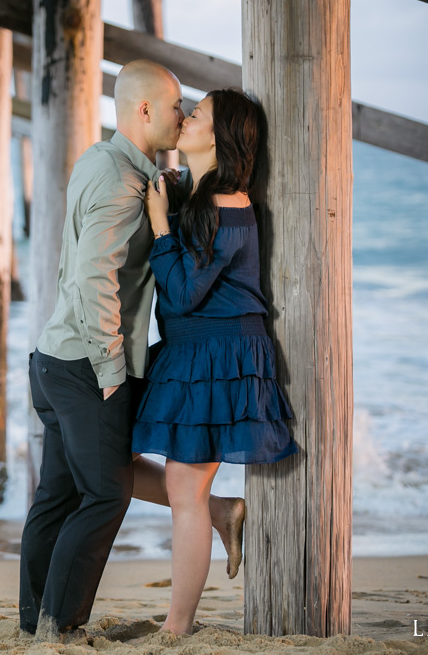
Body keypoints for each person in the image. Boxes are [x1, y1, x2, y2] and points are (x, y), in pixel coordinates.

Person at [18, 59, 185, 642]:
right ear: (144, 109)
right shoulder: (123, 181)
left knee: (58, 495)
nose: (181, 115)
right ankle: (59, 629)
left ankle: (35, 622)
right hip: (86, 364)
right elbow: (96, 275)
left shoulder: (101, 159)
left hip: (52, 357)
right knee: (106, 494)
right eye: (175, 106)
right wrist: (111, 368)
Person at [131, 88, 300, 636]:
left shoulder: (228, 204)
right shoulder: (203, 197)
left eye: (196, 113)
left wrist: (160, 223)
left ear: (218, 137)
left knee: (184, 492)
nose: (186, 117)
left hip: (218, 356)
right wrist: (173, 201)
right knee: (113, 458)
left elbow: (181, 293)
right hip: (190, 352)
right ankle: (224, 511)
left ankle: (177, 628)